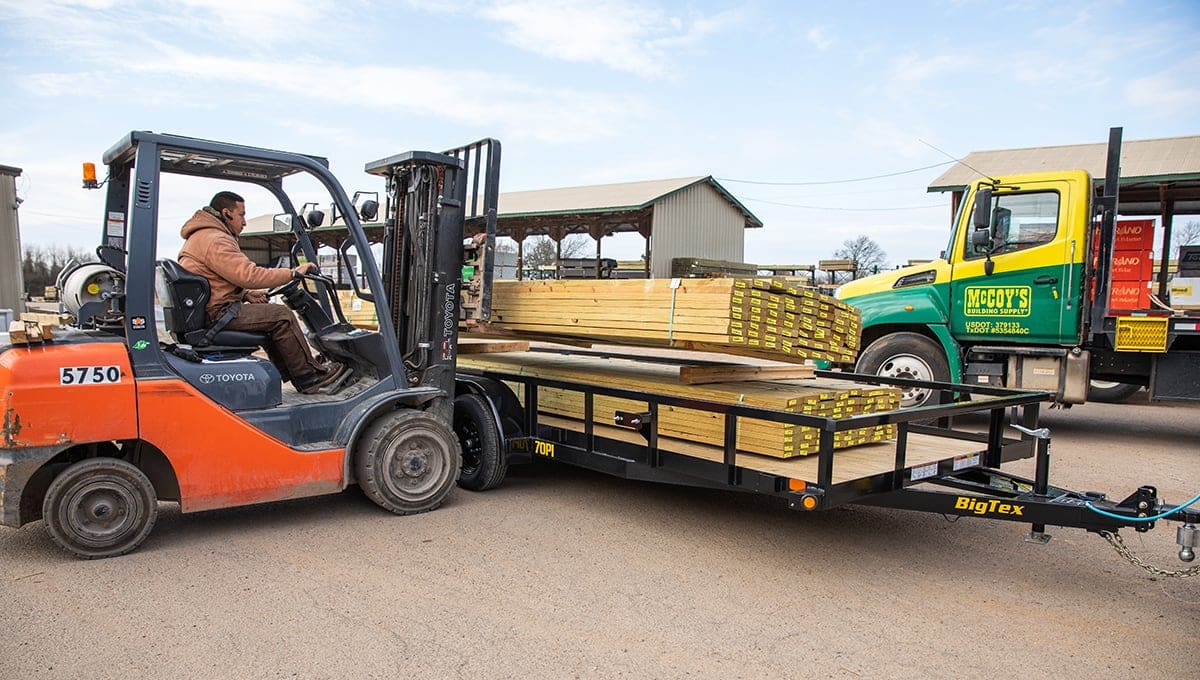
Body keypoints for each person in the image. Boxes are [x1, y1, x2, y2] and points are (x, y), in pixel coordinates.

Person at [178, 191, 346, 394]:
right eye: (241, 214)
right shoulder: (215, 239)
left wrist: (246, 295)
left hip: (211, 310)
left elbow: (217, 280)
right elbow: (249, 275)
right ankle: (309, 376)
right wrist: (292, 273)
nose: (245, 222)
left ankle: (297, 374)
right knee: (281, 316)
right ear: (226, 213)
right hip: (217, 314)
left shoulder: (203, 236)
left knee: (270, 315)